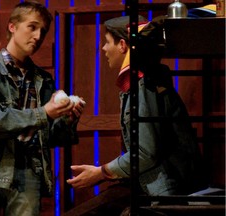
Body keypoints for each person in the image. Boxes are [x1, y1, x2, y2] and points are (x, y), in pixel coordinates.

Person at [65, 15, 206, 215]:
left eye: (107, 42)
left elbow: (146, 154)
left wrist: (101, 172)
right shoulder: (142, 81)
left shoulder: (144, 85)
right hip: (147, 184)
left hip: (162, 190)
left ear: (122, 45)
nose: (104, 49)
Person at [0, 1, 84, 215]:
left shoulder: (43, 80)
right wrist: (43, 113)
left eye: (43, 31)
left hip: (28, 170)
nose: (38, 36)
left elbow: (50, 137)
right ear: (12, 27)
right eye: (32, 27)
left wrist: (67, 120)